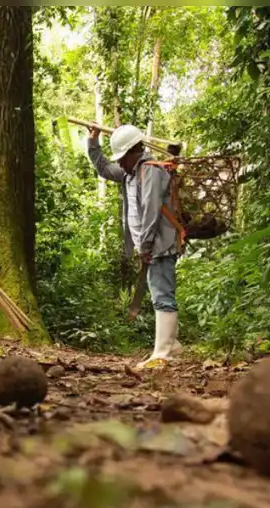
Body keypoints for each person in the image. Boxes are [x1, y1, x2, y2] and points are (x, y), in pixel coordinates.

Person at [87, 124, 182, 369]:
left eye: (122, 158)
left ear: (134, 151)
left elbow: (151, 210)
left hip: (159, 244)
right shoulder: (129, 172)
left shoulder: (151, 171)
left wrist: (146, 245)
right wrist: (93, 142)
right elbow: (104, 168)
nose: (120, 163)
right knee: (159, 292)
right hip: (150, 245)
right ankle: (171, 345)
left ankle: (162, 353)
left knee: (162, 295)